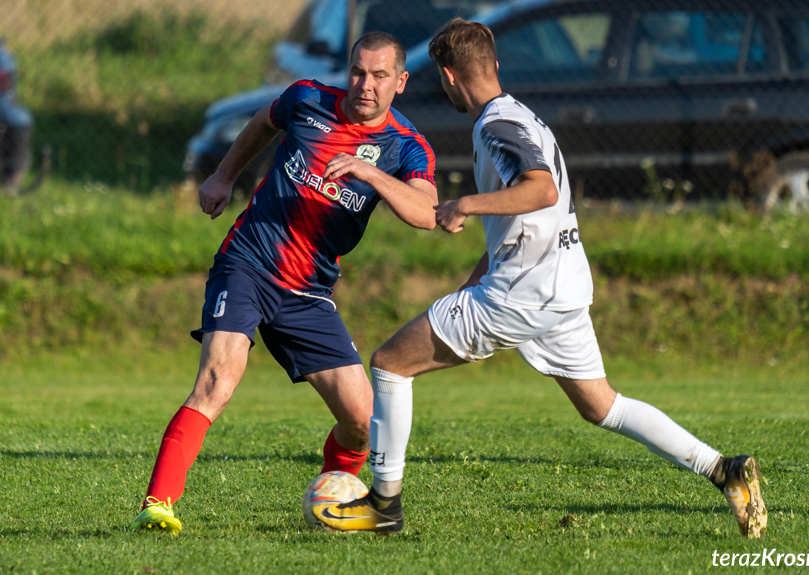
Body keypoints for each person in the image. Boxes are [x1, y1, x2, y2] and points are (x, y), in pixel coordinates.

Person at [313, 18, 767, 539]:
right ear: (495, 67)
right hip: (560, 285)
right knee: (603, 406)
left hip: (524, 294)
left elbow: (541, 192)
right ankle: (724, 469)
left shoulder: (495, 126)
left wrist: (465, 203)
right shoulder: (523, 117)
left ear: (449, 76)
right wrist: (472, 279)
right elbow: (523, 222)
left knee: (390, 364)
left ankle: (384, 505)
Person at [130, 32, 437, 534]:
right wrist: (224, 176)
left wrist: (371, 173)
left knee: (361, 418)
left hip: (309, 295)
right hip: (248, 264)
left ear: (400, 82)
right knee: (217, 381)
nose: (365, 84)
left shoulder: (405, 147)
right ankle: (158, 503)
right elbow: (263, 122)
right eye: (358, 72)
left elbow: (426, 212)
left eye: (379, 76)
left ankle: (335, 502)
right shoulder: (308, 98)